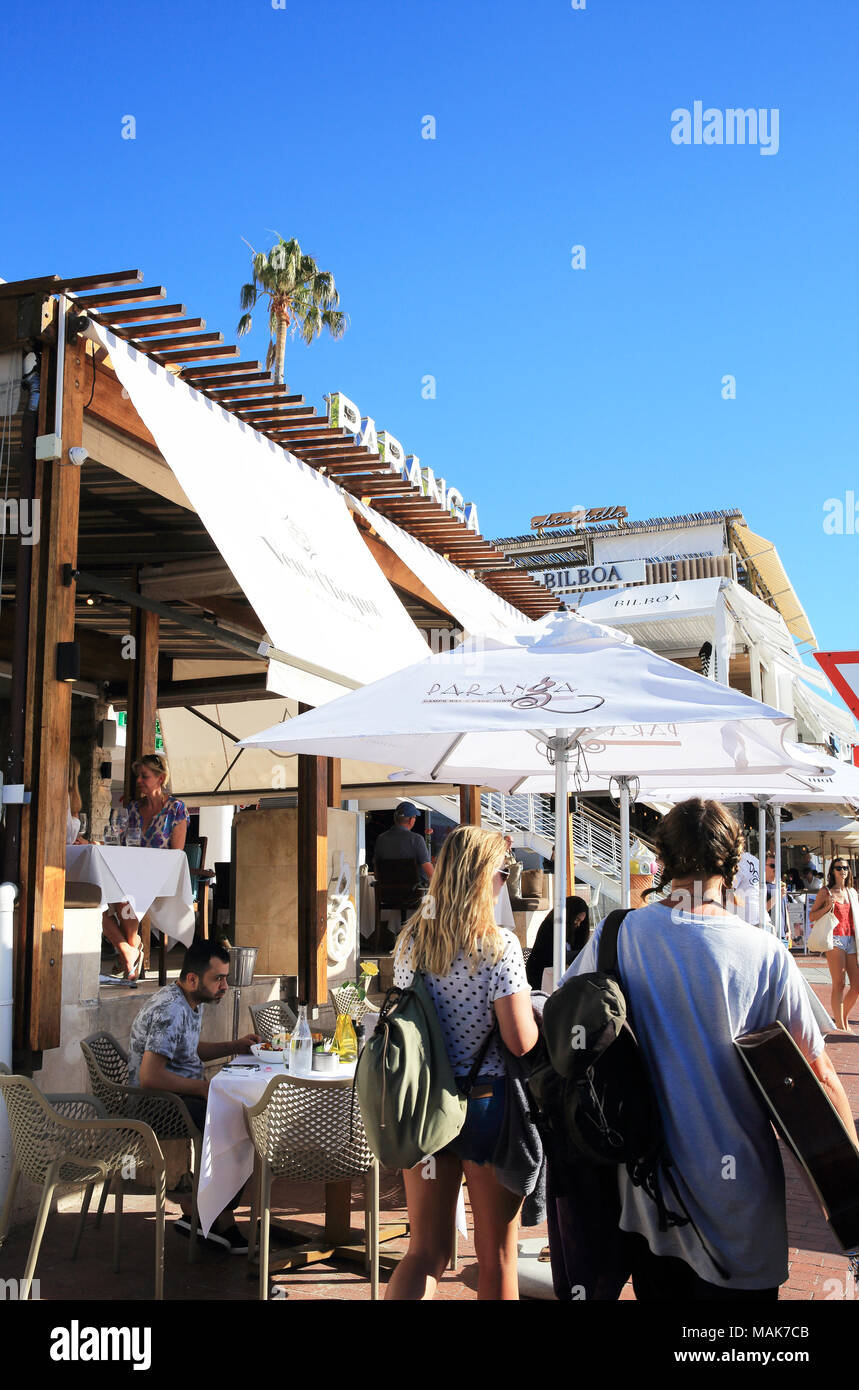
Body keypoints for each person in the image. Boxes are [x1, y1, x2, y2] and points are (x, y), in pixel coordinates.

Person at [563, 798, 857, 1300]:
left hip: (651, 1194)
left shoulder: (619, 935)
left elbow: (564, 1022)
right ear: (732, 862)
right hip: (740, 1197)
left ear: (663, 861)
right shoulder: (764, 952)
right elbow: (819, 1074)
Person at [385, 825, 539, 1301]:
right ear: (481, 877)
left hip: (426, 1103)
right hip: (486, 1105)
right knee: (496, 1259)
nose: (505, 883)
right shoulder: (498, 946)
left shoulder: (413, 941)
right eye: (503, 872)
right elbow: (519, 1042)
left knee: (424, 1251)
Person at [128, 939, 259, 1252]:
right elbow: (150, 1077)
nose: (224, 986)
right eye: (218, 979)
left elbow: (187, 1050)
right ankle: (216, 1218)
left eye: (225, 978)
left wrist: (234, 1046)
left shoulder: (189, 1002)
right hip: (154, 1105)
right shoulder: (170, 1010)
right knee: (240, 1121)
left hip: (174, 1096)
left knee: (242, 1114)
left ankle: (206, 1213)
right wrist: (203, 1088)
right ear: (192, 979)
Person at [103, 753, 189, 983]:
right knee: (97, 898)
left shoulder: (176, 809)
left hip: (162, 877)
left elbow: (176, 856)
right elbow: (121, 843)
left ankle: (128, 952)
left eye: (145, 776)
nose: (139, 780)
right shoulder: (132, 808)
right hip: (132, 875)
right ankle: (129, 950)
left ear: (160, 779)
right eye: (138, 776)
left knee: (123, 895)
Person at [808, 859, 859, 1032]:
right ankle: (839, 1025)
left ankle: (842, 1016)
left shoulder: (851, 892)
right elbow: (812, 916)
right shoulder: (826, 891)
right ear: (832, 872)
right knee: (839, 983)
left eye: (845, 868)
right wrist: (828, 906)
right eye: (839, 868)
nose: (843, 870)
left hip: (851, 938)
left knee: (856, 986)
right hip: (834, 938)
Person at [525, 895, 590, 990]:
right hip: (542, 977)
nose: (578, 924)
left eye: (581, 921)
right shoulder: (549, 927)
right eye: (576, 919)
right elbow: (547, 956)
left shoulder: (576, 930)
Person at [372, 801, 434, 883]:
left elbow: (376, 874)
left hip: (386, 893)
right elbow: (430, 873)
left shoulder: (380, 839)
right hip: (415, 893)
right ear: (411, 820)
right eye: (415, 817)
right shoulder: (417, 839)